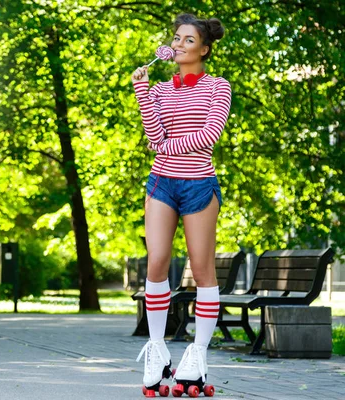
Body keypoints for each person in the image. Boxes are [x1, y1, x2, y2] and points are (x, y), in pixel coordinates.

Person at [131, 13, 231, 397]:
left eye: (188, 41)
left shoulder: (217, 87)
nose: (178, 45)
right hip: (161, 183)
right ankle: (156, 351)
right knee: (156, 260)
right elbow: (153, 134)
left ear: (203, 49)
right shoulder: (158, 89)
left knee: (202, 269)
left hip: (198, 185)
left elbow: (210, 135)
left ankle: (197, 355)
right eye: (176, 38)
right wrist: (142, 91)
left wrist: (165, 146)